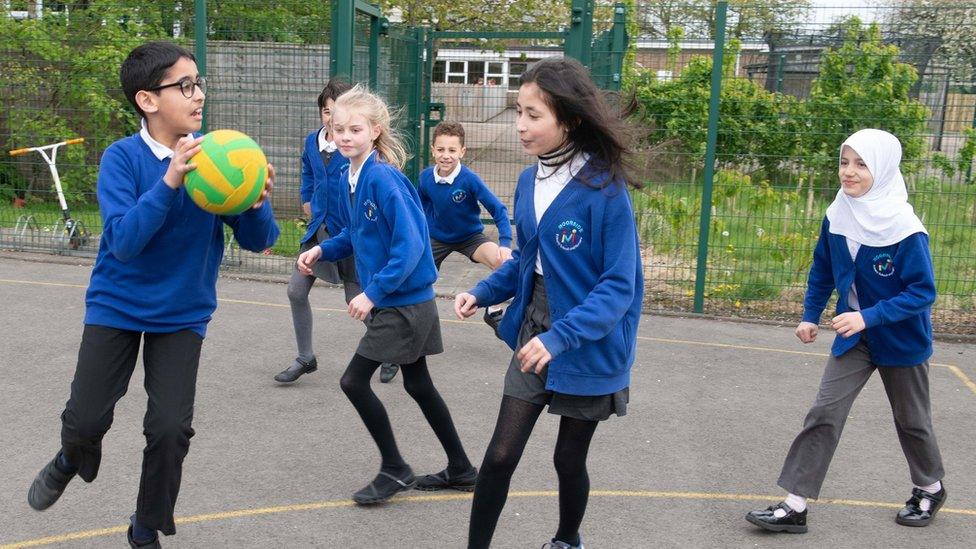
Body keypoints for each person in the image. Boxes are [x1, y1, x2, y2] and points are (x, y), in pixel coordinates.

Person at [26, 41, 279, 548]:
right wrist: (168, 182)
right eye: (184, 86)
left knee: (169, 430)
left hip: (182, 311)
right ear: (147, 100)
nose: (198, 94)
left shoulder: (218, 156)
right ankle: (73, 455)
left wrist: (253, 203)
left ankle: (145, 530)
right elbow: (123, 241)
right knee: (86, 419)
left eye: (199, 83)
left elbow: (260, 241)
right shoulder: (122, 159)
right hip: (117, 303)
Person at [454, 57, 643, 549]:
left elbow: (619, 286)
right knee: (499, 456)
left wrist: (561, 337)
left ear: (570, 120)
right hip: (535, 326)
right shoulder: (525, 182)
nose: (520, 125)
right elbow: (525, 263)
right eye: (519, 111)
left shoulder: (605, 189)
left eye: (533, 115)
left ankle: (567, 539)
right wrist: (483, 291)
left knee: (567, 459)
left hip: (588, 339)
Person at [745, 129, 946, 534]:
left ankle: (929, 487)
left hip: (901, 339)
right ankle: (795, 504)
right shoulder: (838, 213)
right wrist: (810, 314)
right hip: (854, 337)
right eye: (844, 162)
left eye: (861, 164)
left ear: (884, 170)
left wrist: (867, 317)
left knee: (912, 420)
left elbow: (923, 293)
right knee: (825, 412)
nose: (848, 173)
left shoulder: (905, 228)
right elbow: (822, 268)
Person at [297, 84, 476, 504]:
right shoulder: (349, 175)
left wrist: (372, 294)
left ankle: (395, 467)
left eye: (354, 128)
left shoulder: (383, 178)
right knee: (420, 386)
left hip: (404, 304)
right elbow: (356, 232)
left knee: (353, 381)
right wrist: (323, 247)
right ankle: (463, 469)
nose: (344, 136)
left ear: (375, 131)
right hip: (397, 301)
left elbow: (410, 245)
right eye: (338, 127)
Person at [274, 78, 399, 384]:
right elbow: (307, 170)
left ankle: (389, 351)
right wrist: (307, 197)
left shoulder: (358, 150)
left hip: (350, 235)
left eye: (339, 113)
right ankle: (305, 357)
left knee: (355, 298)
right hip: (319, 231)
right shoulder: (312, 142)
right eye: (327, 112)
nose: (332, 120)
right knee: (295, 290)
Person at [418, 120, 513, 274]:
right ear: (433, 150)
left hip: (470, 237)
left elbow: (498, 209)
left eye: (452, 150)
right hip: (436, 238)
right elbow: (419, 208)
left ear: (462, 152)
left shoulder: (469, 179)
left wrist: (505, 244)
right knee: (416, 274)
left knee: (504, 263)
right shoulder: (425, 177)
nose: (446, 156)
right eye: (441, 149)